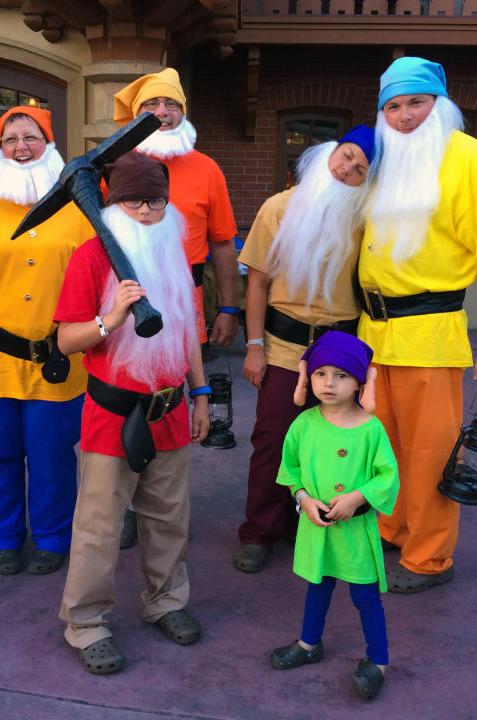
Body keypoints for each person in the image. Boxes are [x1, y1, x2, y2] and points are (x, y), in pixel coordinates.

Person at [360, 57, 477, 593]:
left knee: (430, 453)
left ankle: (429, 558)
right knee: (385, 448)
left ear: (440, 104)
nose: (405, 117)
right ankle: (394, 528)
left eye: (416, 103)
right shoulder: (381, 161)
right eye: (394, 106)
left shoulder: (470, 158)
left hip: (430, 333)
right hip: (372, 337)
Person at [54, 151, 210, 675]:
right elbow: (66, 338)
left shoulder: (174, 254)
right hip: (111, 412)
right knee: (99, 524)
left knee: (169, 517)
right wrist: (111, 318)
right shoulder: (90, 258)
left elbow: (187, 331)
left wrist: (202, 393)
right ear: (114, 205)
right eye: (134, 202)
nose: (146, 213)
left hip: (170, 409)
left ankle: (166, 600)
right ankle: (87, 621)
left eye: (156, 202)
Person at [0, 106, 92, 576]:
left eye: (32, 138)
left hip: (60, 358)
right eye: (11, 140)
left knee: (52, 455)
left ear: (49, 146)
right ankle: (2, 535)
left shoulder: (80, 208)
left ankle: (52, 535)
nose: (22, 147)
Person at [233, 126, 376, 574]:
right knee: (274, 439)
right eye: (346, 155)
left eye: (359, 170)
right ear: (331, 151)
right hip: (281, 345)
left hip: (339, 350)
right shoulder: (278, 208)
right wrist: (253, 347)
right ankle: (259, 530)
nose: (346, 169)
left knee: (329, 442)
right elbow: (255, 282)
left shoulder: (364, 219)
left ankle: (308, 525)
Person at [113, 68, 239, 548]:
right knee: (122, 397)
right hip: (125, 298)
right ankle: (123, 503)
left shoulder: (207, 169)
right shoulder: (115, 163)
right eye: (151, 106)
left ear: (184, 113)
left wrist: (229, 308)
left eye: (172, 105)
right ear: (137, 114)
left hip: (185, 299)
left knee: (171, 402)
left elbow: (224, 245)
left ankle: (159, 505)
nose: (163, 114)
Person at [271, 331, 398, 701]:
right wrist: (303, 499)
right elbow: (289, 469)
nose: (329, 382)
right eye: (321, 373)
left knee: (366, 597)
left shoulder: (371, 430)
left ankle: (378, 661)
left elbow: (387, 475)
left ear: (359, 381)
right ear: (307, 378)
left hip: (354, 530)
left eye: (341, 375)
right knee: (318, 586)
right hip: (317, 527)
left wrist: (358, 497)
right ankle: (310, 643)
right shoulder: (303, 424)